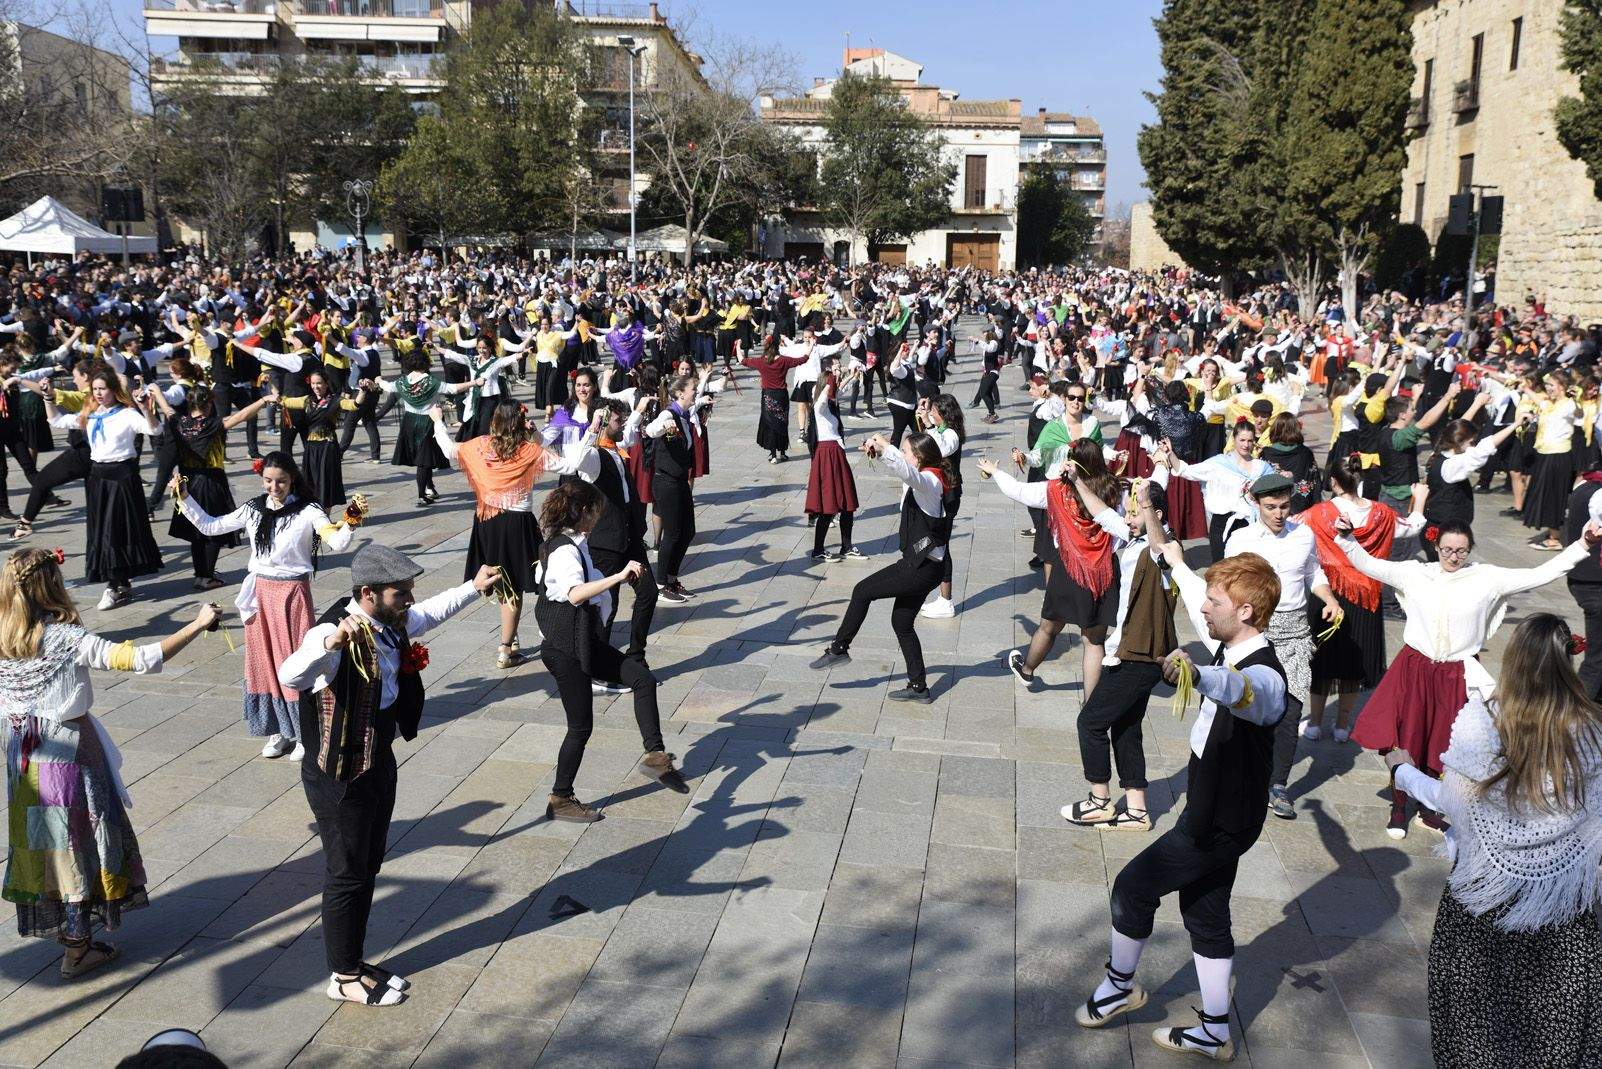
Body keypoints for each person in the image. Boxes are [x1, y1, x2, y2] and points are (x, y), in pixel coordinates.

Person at [1075, 551, 1287, 1064]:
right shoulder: (1229, 634)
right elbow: (1194, 589)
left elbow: (1247, 692)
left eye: (1217, 603)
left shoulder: (1265, 676)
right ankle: (1215, 1030)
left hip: (1215, 822)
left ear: (1246, 614)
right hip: (1225, 815)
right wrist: (1163, 538)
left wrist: (1200, 673)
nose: (1205, 610)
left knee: (1133, 887)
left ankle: (1121, 986)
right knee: (1206, 913)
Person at [278, 544, 503, 1007]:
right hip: (340, 775)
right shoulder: (335, 633)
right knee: (347, 872)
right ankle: (342, 975)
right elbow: (292, 673)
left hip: (376, 759)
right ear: (368, 593)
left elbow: (427, 615)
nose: (409, 599)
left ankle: (355, 961)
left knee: (368, 865)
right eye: (401, 592)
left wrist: (472, 587)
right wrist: (326, 644)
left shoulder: (389, 620)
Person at [1388, 614, 1602, 1067]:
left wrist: (1401, 771)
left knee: (1472, 1038)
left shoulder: (1482, 720)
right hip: (1563, 917)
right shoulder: (1593, 734)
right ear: (1568, 662)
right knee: (1551, 1042)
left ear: (1513, 660)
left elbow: (1452, 801)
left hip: (1480, 913)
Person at [0, 547, 218, 979]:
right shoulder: (65, 638)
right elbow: (139, 659)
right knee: (78, 844)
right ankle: (77, 948)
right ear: (52, 585)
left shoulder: (4, 638)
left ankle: (70, 936)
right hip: (68, 755)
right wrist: (197, 624)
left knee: (46, 846)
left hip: (23, 755)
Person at [1340, 517, 1600, 838]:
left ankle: (1429, 807)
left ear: (1470, 550)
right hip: (1415, 668)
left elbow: (1540, 574)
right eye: (1447, 549)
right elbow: (1367, 563)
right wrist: (1346, 537)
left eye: (1461, 551)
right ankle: (1398, 805)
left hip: (1456, 672)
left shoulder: (1486, 578)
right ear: (1435, 546)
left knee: (1445, 740)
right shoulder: (1415, 573)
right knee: (1407, 737)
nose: (1453, 557)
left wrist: (1583, 544)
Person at [173, 452, 357, 761]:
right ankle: (277, 730)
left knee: (295, 660)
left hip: (292, 594)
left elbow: (336, 543)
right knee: (263, 661)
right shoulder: (252, 509)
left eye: (281, 481)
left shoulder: (309, 511)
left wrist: (351, 521)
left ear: (292, 480)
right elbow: (211, 526)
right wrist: (184, 498)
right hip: (259, 592)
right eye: (268, 481)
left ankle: (302, 733)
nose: (274, 487)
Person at [534, 480, 687, 824]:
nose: (598, 518)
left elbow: (582, 582)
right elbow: (575, 593)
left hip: (583, 642)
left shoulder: (576, 544)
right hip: (566, 650)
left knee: (642, 679)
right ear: (583, 512)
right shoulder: (562, 551)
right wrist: (617, 577)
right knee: (580, 728)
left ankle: (654, 755)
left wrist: (623, 579)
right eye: (596, 512)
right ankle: (560, 797)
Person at [1049, 479, 1178, 833]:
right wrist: (1076, 482)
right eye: (1131, 511)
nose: (1129, 516)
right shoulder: (1135, 538)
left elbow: (1158, 545)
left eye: (1136, 511)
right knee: (1126, 727)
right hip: (1130, 651)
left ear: (1155, 514)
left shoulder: (1165, 548)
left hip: (1138, 656)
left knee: (1089, 722)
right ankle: (1137, 810)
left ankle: (1100, 801)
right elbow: (1104, 513)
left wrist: (1146, 505)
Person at [430, 399, 582, 668]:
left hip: (488, 522)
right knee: (513, 587)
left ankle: (510, 640)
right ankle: (505, 648)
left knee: (502, 584)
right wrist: (540, 436)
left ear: (495, 421)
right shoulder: (529, 451)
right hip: (516, 524)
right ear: (520, 422)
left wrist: (438, 421)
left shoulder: (479, 446)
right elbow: (569, 467)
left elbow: (449, 449)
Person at [1222, 474, 1340, 819]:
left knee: (1290, 712)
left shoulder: (1303, 535)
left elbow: (1313, 573)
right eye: (1271, 507)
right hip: (1253, 632)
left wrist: (1328, 598)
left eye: (1284, 506)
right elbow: (1226, 582)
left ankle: (1278, 785)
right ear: (1256, 504)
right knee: (1246, 706)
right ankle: (1239, 775)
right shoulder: (1242, 539)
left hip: (1295, 633)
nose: (1278, 513)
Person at [809, 431, 955, 704]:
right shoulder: (927, 478)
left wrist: (886, 446)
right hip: (923, 564)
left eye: (906, 451)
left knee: (862, 590)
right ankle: (919, 686)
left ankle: (839, 649)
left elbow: (909, 474)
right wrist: (880, 451)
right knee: (901, 621)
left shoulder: (931, 481)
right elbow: (905, 473)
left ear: (919, 457)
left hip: (921, 568)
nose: (902, 454)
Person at [986, 439, 1124, 702]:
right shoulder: (1116, 489)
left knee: (1049, 626)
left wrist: (995, 472)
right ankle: (1091, 705)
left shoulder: (1057, 490)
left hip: (1068, 568)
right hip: (1103, 571)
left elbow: (1018, 491)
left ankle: (1026, 670)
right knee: (1094, 642)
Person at [1300, 459, 1427, 740]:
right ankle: (1343, 726)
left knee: (1321, 658)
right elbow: (1412, 526)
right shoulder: (1382, 514)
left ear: (1332, 482)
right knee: (1353, 662)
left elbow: (1290, 526)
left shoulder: (1318, 513)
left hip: (1327, 593)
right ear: (1357, 480)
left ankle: (1315, 724)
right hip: (1366, 595)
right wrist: (1419, 501)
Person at [44, 369, 160, 610]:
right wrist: (47, 397)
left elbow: (155, 430)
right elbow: (56, 420)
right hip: (98, 478)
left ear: (113, 391)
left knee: (117, 530)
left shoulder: (128, 414)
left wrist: (146, 409)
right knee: (102, 532)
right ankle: (118, 581)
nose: (98, 393)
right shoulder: (91, 414)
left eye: (102, 389)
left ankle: (115, 585)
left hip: (123, 477)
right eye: (95, 389)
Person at [151, 382, 278, 589]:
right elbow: (241, 416)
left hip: (186, 482)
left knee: (195, 530)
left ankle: (200, 574)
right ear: (209, 404)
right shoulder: (211, 424)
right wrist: (263, 400)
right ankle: (207, 576)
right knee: (212, 529)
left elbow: (167, 409)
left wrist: (156, 391)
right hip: (210, 482)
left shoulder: (180, 422)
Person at [559, 397, 658, 661]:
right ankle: (597, 663)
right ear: (603, 422)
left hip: (630, 538)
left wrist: (637, 411)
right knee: (607, 605)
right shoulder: (593, 457)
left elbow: (631, 432)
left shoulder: (616, 447)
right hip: (605, 543)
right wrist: (594, 426)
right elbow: (577, 460)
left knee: (649, 592)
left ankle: (636, 655)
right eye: (617, 419)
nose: (623, 422)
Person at [1162, 421, 1272, 560]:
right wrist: (1170, 453)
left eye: (1250, 441)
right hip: (1222, 523)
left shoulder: (1261, 467)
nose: (1246, 445)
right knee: (1221, 569)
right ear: (1234, 439)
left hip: (1250, 524)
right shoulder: (1219, 463)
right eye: (1242, 440)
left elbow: (1273, 491)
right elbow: (1187, 471)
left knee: (1247, 570)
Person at [644, 372, 702, 604]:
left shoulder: (685, 413)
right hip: (666, 481)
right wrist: (663, 425)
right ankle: (660, 584)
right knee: (674, 532)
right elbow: (651, 430)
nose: (695, 394)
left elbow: (697, 402)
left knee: (688, 531)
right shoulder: (669, 413)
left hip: (679, 481)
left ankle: (672, 578)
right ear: (679, 394)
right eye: (693, 391)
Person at [805, 363, 862, 562]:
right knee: (828, 506)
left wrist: (849, 377)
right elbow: (821, 398)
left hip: (837, 453)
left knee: (847, 503)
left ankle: (847, 546)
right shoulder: (819, 408)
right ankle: (818, 549)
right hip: (826, 454)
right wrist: (830, 382)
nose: (835, 386)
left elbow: (839, 391)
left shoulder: (831, 405)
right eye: (831, 384)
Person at [920, 394, 966, 619]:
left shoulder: (951, 434)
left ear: (944, 413)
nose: (931, 414)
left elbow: (938, 449)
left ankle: (946, 600)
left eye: (934, 411)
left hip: (949, 495)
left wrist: (928, 425)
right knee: (938, 543)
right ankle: (941, 596)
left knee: (942, 545)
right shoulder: (942, 430)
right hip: (941, 492)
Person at [740, 336, 808, 463]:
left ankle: (773, 455)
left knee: (770, 424)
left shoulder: (761, 361)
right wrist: (811, 345)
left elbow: (742, 361)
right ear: (777, 347)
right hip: (782, 395)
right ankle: (782, 452)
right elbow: (803, 359)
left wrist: (738, 346)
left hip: (768, 396)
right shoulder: (784, 360)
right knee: (782, 423)